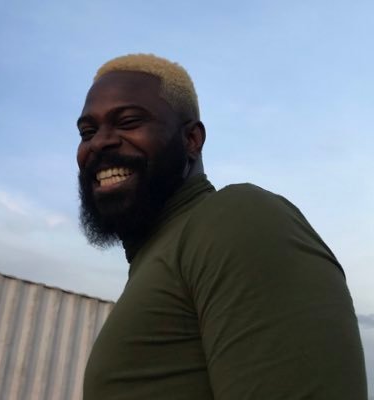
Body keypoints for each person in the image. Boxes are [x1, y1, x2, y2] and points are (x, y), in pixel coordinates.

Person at [77, 54, 367, 399]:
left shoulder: (236, 220)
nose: (99, 142)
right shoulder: (158, 258)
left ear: (191, 140)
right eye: (87, 132)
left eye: (127, 121)